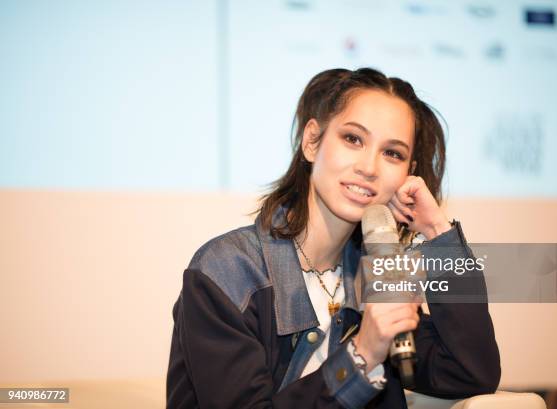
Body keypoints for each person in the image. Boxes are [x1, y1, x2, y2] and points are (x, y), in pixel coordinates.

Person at [166, 67, 501, 408]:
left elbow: (471, 371)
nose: (369, 167)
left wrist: (437, 234)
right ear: (312, 141)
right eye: (353, 139)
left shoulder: (377, 277)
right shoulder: (227, 271)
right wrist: (362, 354)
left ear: (407, 174)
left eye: (392, 153)